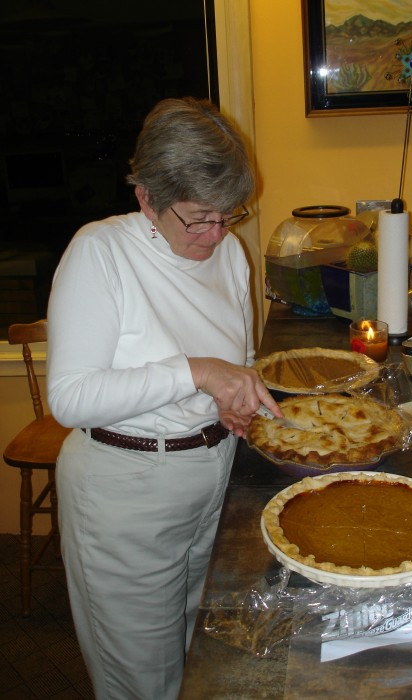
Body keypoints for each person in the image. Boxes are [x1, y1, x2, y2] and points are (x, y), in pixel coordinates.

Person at [46, 97, 281, 699]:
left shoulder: (229, 251)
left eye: (230, 215)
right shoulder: (101, 253)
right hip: (126, 493)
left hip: (212, 477)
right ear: (146, 196)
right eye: (199, 218)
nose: (217, 233)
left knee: (199, 647)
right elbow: (70, 398)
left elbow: (238, 359)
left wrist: (230, 400)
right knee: (142, 679)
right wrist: (198, 373)